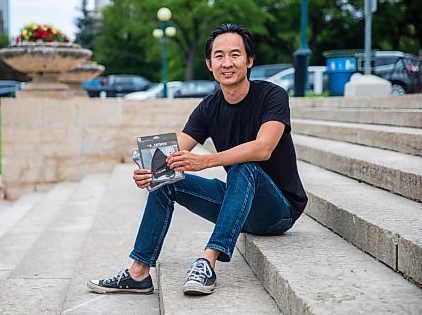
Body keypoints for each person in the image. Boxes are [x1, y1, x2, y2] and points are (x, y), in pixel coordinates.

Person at [88, 23, 308, 296]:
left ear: (249, 60)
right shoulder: (209, 107)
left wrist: (206, 161)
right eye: (219, 56)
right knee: (165, 183)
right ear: (209, 63)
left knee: (245, 165)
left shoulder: (272, 95)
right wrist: (148, 171)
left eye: (235, 55)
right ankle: (138, 273)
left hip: (278, 210)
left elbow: (263, 148)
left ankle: (207, 261)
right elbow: (172, 153)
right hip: (237, 204)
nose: (227, 63)